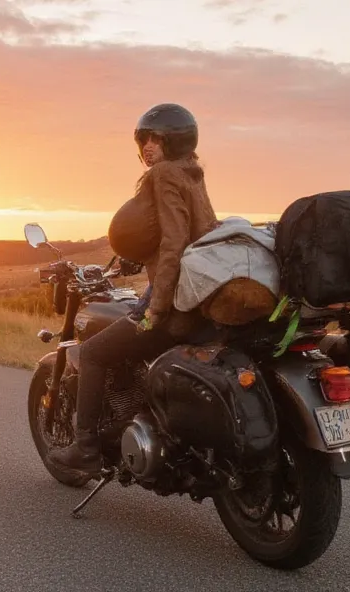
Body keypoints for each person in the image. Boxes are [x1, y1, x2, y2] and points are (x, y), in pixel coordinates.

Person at [46, 103, 219, 481]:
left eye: (158, 139)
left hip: (172, 303)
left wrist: (155, 309)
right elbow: (195, 233)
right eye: (145, 139)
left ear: (175, 142)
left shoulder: (164, 175)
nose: (149, 147)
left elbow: (175, 241)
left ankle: (86, 450)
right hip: (198, 297)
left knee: (92, 352)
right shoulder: (193, 174)